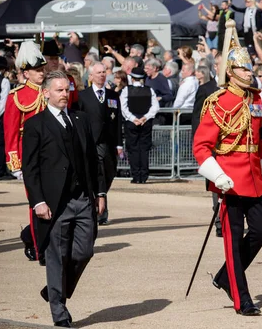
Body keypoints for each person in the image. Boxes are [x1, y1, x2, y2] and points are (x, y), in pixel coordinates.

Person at [193, 19, 262, 316]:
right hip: (228, 178)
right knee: (234, 241)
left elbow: (258, 141)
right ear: (230, 72)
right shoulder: (218, 102)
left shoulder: (256, 99)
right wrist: (217, 175)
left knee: (261, 232)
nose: (249, 73)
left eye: (251, 69)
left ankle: (226, 276)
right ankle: (242, 298)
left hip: (252, 177)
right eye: (243, 69)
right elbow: (201, 147)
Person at [23, 70, 103, 327]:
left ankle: (54, 291)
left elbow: (92, 161)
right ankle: (59, 312)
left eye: (66, 90)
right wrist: (37, 202)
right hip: (54, 203)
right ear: (46, 93)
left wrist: (100, 193)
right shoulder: (36, 124)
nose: (64, 95)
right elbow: (30, 167)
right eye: (59, 90)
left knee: (84, 252)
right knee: (56, 257)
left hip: (82, 199)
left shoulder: (81, 119)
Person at [4, 41, 48, 262]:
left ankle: (28, 236)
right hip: (28, 156)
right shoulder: (16, 96)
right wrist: (15, 162)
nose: (41, 73)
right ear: (26, 73)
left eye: (42, 70)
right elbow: (11, 131)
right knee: (36, 202)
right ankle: (39, 247)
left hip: (51, 155)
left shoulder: (51, 91)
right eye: (37, 70)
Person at [74, 62, 122, 226]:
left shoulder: (113, 95)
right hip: (91, 142)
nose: (102, 75)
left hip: (108, 142)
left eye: (104, 72)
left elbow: (118, 120)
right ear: (91, 76)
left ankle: (98, 198)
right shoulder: (83, 96)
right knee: (98, 172)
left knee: (109, 172)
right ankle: (101, 211)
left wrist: (119, 143)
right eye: (99, 72)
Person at [191, 65, 221, 236]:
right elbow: (197, 118)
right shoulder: (205, 89)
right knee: (216, 184)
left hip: (232, 146)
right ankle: (219, 222)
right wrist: (199, 145)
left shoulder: (237, 89)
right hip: (213, 146)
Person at [120, 67, 160, 184]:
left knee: (133, 149)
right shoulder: (150, 90)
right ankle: (143, 176)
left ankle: (136, 176)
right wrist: (145, 117)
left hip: (131, 122)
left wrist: (133, 119)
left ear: (132, 78)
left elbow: (123, 107)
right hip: (145, 122)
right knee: (144, 149)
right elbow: (155, 107)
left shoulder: (126, 90)